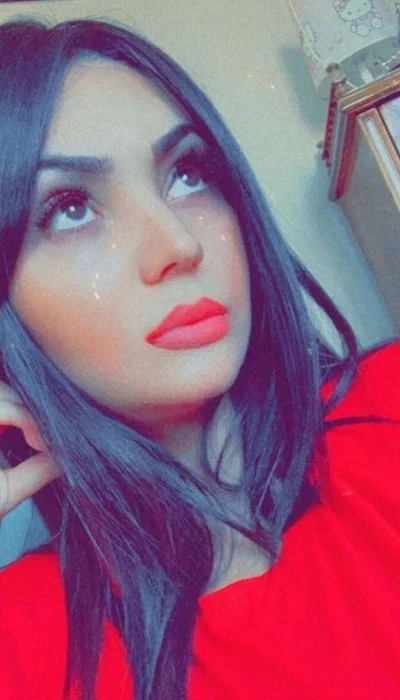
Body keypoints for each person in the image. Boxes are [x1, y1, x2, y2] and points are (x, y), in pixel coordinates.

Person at [0, 15, 399, 700]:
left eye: (187, 173)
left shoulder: (390, 411)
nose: (178, 244)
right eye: (69, 208)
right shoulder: (24, 643)